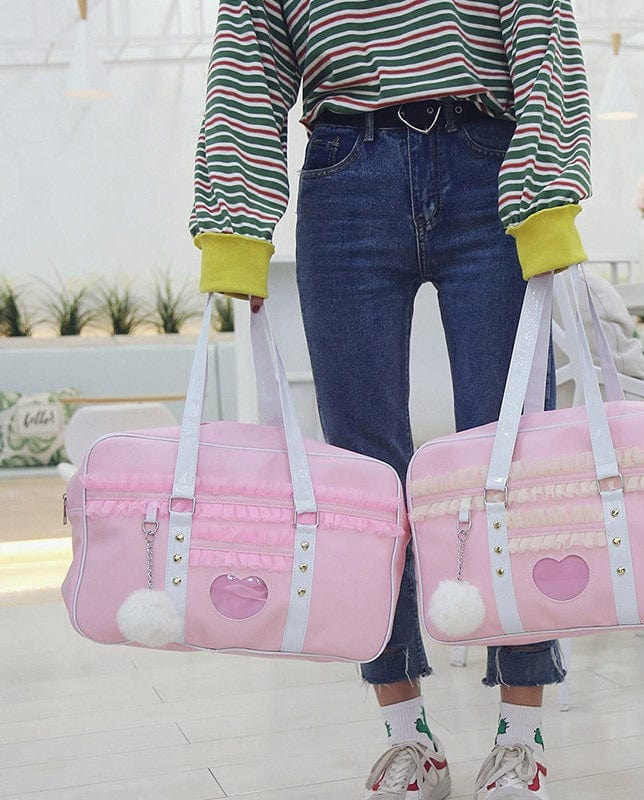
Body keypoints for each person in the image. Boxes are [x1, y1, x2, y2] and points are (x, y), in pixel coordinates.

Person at [190, 2, 591, 798]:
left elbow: (540, 24)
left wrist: (548, 193)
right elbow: (250, 55)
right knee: (362, 478)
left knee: (516, 459)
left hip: (490, 157)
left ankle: (522, 736)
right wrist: (237, 230)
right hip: (345, 167)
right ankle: (408, 735)